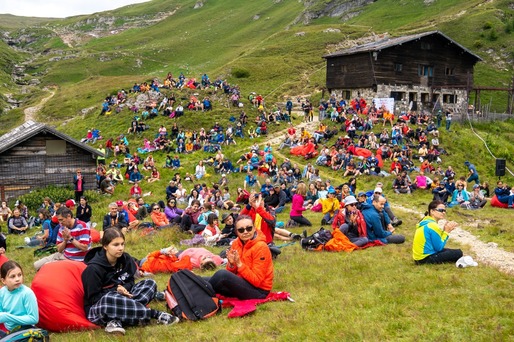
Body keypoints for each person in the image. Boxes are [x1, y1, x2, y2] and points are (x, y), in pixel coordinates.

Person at [82, 229, 178, 335]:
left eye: (122, 244)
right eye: (116, 245)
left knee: (150, 284)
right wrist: (116, 290)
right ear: (105, 246)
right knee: (111, 298)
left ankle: (117, 320)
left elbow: (131, 281)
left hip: (125, 297)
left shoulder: (125, 259)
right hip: (100, 307)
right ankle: (155, 314)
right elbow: (93, 299)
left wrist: (124, 291)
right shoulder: (93, 269)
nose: (121, 248)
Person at [208, 215, 273, 300]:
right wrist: (231, 264)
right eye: (241, 230)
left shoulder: (261, 247)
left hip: (259, 290)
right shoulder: (236, 243)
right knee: (201, 280)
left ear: (254, 228)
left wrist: (239, 264)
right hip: (242, 282)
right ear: (237, 232)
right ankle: (197, 292)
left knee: (221, 275)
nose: (245, 232)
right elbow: (231, 274)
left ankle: (201, 293)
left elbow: (257, 281)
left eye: (249, 228)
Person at [0, 261, 39, 337]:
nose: (17, 279)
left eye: (19, 275)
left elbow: (34, 319)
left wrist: (7, 317)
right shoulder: (2, 292)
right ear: (3, 281)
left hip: (25, 328)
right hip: (7, 327)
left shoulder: (27, 293)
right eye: (12, 276)